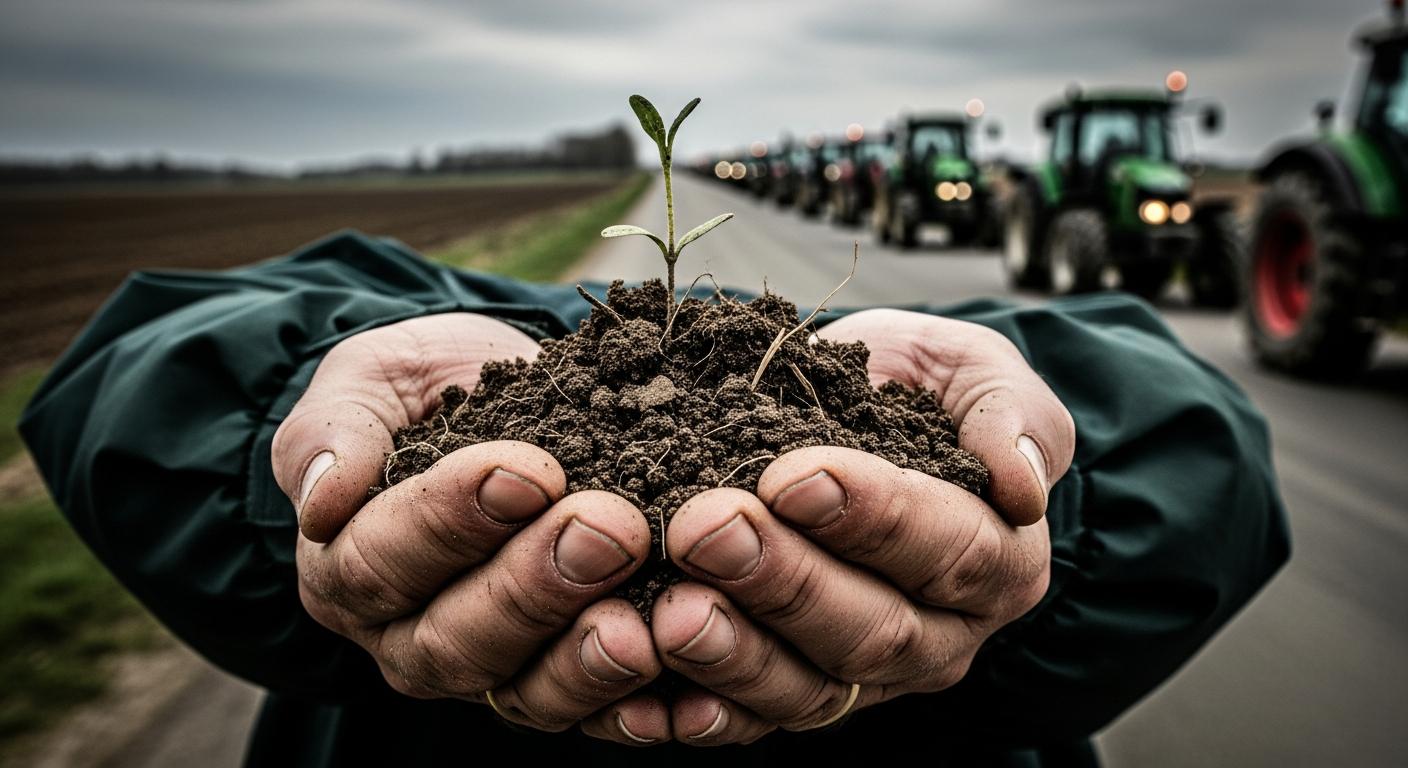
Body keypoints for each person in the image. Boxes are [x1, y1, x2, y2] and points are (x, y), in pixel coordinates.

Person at [20, 230, 1288, 766]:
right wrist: (298, 462)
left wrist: (1029, 503)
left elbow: (1202, 445)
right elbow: (131, 375)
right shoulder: (416, 346)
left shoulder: (920, 391)